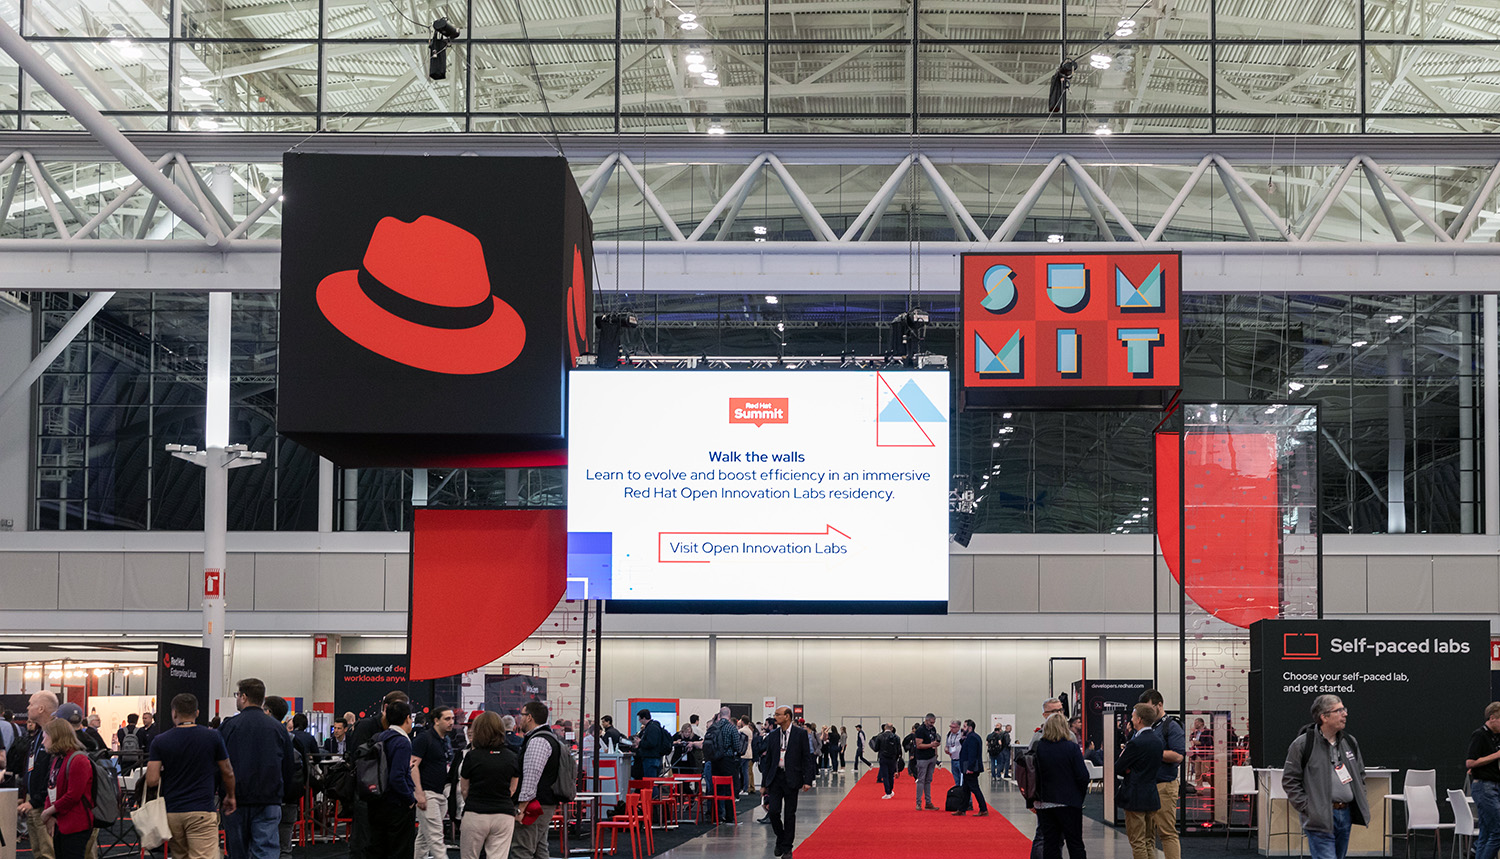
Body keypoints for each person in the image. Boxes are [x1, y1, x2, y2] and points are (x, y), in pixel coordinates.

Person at [147, 694, 237, 859]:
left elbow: (152, 780)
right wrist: (230, 796)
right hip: (201, 808)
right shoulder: (213, 737)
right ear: (197, 713)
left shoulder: (160, 741)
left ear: (174, 713)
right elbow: (228, 771)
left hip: (172, 811)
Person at [1282, 694, 1368, 859]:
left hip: (1345, 814)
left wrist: (1360, 795)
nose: (1345, 714)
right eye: (1339, 710)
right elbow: (1290, 780)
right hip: (1319, 817)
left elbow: (1360, 774)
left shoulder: (1349, 742)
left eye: (1344, 709)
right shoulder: (1302, 744)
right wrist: (1309, 807)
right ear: (1324, 716)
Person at [220, 678, 296, 859]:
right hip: (269, 798)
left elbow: (220, 763)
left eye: (238, 695)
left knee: (237, 852)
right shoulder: (278, 728)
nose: (237, 698)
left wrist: (222, 792)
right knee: (266, 852)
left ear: (244, 697)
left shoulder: (229, 726)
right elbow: (288, 765)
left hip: (235, 799)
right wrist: (281, 793)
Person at [347, 691, 410, 859]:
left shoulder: (397, 735)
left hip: (387, 798)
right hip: (367, 792)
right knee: (363, 841)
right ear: (386, 708)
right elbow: (357, 760)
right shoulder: (367, 726)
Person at [459, 712, 519, 859]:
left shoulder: (472, 756)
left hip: (475, 812)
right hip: (503, 813)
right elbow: (512, 789)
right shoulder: (512, 757)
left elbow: (464, 789)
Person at [760, 706, 816, 859]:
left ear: (787, 716)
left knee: (790, 814)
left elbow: (807, 758)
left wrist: (808, 780)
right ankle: (781, 837)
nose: (775, 717)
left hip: (792, 778)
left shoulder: (800, 734)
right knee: (773, 812)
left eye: (778, 715)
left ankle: (787, 848)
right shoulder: (772, 735)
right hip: (775, 778)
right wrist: (764, 784)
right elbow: (769, 761)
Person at [1032, 713, 1090, 859]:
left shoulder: (1039, 748)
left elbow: (1033, 776)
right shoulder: (1071, 748)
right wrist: (1079, 797)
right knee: (1075, 843)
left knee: (1050, 844)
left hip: (1045, 803)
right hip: (1069, 802)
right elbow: (1083, 776)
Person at [513, 701, 565, 859]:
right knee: (539, 849)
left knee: (521, 849)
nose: (519, 719)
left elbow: (531, 776)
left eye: (521, 715)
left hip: (534, 805)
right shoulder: (548, 738)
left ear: (529, 717)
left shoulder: (537, 741)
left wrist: (521, 808)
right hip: (542, 803)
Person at [368, 700, 420, 859]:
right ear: (407, 718)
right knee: (400, 850)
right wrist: (410, 799)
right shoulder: (402, 741)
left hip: (377, 801)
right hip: (397, 805)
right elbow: (396, 777)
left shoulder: (379, 737)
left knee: (380, 849)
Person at [1139, 689, 1184, 859]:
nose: (1146, 713)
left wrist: (1152, 752)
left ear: (1159, 705)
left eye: (1149, 708)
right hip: (1146, 785)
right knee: (1147, 835)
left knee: (1166, 832)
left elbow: (1178, 756)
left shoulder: (1172, 726)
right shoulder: (1148, 727)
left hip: (1164, 784)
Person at [40, 720, 93, 859]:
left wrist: (48, 812)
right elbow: (51, 788)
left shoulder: (78, 760)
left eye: (45, 737)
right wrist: (50, 814)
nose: (43, 742)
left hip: (76, 824)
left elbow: (73, 796)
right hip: (61, 822)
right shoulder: (58, 759)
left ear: (56, 737)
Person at [1116, 704, 1163, 859]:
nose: (1131, 719)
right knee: (1149, 840)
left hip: (1135, 796)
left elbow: (1119, 767)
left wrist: (1129, 770)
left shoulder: (1136, 743)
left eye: (1133, 716)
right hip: (1151, 794)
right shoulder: (1157, 740)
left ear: (1139, 719)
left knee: (1137, 841)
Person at [19, 690, 60, 859]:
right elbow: (32, 767)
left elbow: (52, 775)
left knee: (47, 852)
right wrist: (25, 795)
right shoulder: (39, 733)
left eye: (31, 704)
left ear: (41, 708)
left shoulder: (55, 733)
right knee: (39, 852)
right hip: (34, 800)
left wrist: (35, 800)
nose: (28, 708)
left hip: (45, 804)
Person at [413, 706, 456, 859]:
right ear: (436, 721)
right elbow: (412, 766)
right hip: (427, 792)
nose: (451, 722)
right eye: (447, 719)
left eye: (452, 718)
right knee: (436, 836)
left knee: (424, 837)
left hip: (441, 793)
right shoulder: (424, 738)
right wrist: (419, 793)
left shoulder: (446, 740)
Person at [1466, 702, 1500, 859]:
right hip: (1485, 787)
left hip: (1492, 786)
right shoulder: (1480, 735)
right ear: (1492, 718)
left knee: (1485, 834)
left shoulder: (1495, 737)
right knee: (1497, 831)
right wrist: (1497, 755)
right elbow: (1470, 762)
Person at [952, 720, 989, 816]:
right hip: (968, 767)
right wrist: (963, 738)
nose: (962, 729)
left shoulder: (972, 738)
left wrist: (970, 768)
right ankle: (962, 808)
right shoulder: (970, 737)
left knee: (975, 788)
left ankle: (983, 809)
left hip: (971, 768)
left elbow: (972, 754)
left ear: (970, 728)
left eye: (964, 727)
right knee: (966, 789)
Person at [911, 713, 940, 810]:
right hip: (922, 758)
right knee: (921, 780)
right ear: (926, 720)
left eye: (934, 722)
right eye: (931, 722)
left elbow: (934, 741)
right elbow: (919, 745)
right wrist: (931, 744)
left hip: (932, 757)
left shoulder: (933, 729)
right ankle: (918, 803)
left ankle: (928, 802)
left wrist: (935, 752)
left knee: (928, 780)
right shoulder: (920, 730)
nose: (932, 724)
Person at [634, 709, 671, 778]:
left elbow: (651, 743)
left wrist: (640, 742)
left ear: (644, 718)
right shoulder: (654, 726)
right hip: (654, 758)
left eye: (640, 719)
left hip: (651, 759)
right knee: (653, 781)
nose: (639, 721)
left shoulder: (651, 728)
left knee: (650, 782)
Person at [872, 723, 901, 799]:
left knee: (885, 775)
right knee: (891, 775)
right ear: (892, 728)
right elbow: (899, 750)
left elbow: (876, 749)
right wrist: (897, 757)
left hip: (883, 758)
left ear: (885, 728)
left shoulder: (880, 736)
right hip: (892, 758)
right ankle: (890, 791)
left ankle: (887, 792)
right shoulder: (896, 737)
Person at [738, 716, 757, 795]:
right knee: (745, 771)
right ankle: (746, 788)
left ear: (742, 722)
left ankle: (741, 788)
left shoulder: (741, 730)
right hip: (749, 753)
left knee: (740, 772)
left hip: (742, 753)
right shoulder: (750, 731)